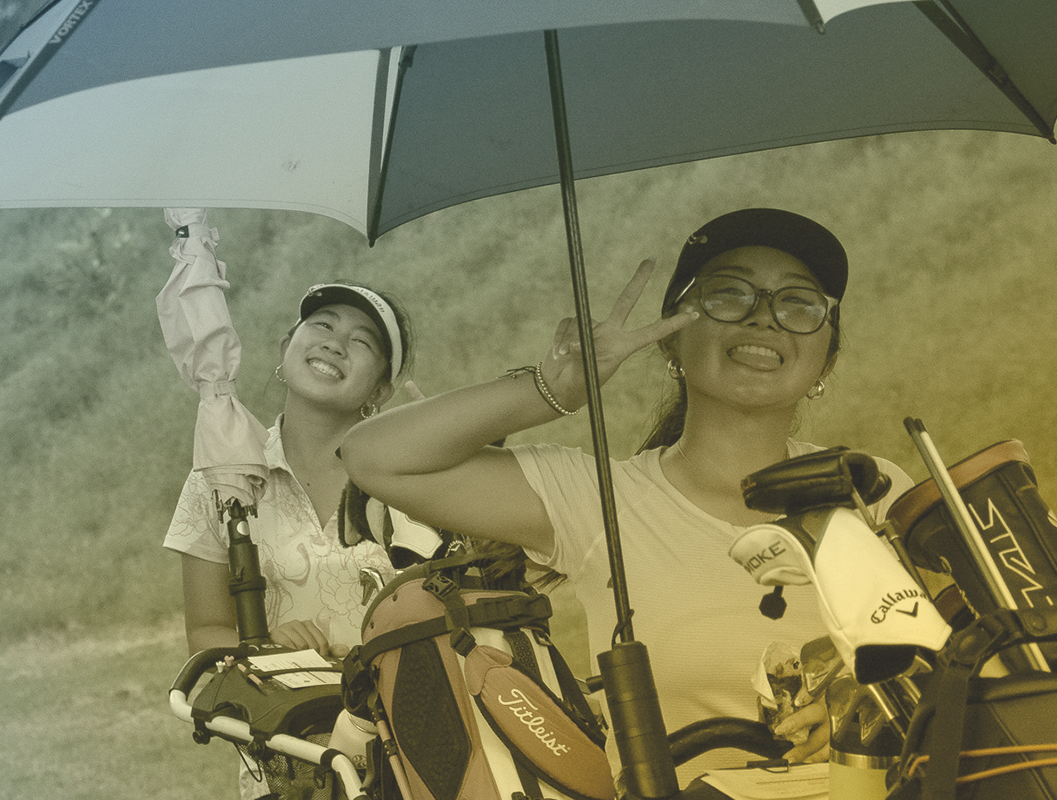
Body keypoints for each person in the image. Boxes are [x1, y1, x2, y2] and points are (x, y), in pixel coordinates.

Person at [340, 208, 912, 779]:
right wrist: (551, 390)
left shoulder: (871, 492)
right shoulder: (598, 502)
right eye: (729, 293)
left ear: (826, 360)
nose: (764, 317)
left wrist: (865, 700)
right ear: (671, 339)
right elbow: (373, 458)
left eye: (798, 303)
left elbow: (954, 659)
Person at [165, 281, 415, 660]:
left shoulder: (413, 476)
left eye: (362, 341)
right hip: (274, 697)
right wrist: (268, 648)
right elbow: (204, 630)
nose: (334, 345)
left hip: (396, 696)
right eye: (323, 325)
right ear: (285, 349)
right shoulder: (220, 474)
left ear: (380, 392)